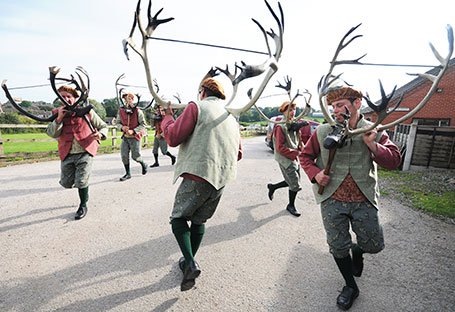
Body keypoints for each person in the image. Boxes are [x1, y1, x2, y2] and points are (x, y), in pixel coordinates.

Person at [299, 86, 401, 310]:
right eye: (332, 106)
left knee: (374, 244)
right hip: (332, 199)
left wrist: (372, 144)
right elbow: (305, 156)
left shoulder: (374, 129)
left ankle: (359, 250)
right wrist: (316, 174)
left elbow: (394, 161)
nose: (335, 110)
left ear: (357, 103)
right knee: (337, 246)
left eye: (340, 104)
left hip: (363, 197)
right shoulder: (323, 131)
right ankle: (350, 286)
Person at [160, 77, 242, 292]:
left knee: (178, 218)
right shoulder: (231, 116)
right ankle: (188, 262)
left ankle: (191, 262)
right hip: (222, 178)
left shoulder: (196, 106)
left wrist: (167, 117)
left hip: (198, 174)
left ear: (202, 91)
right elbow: (238, 153)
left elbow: (172, 137)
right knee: (199, 220)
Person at [47, 85, 108, 220]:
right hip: (67, 152)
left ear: (74, 98)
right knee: (66, 183)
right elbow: (51, 133)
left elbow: (103, 126)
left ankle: (83, 205)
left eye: (69, 96)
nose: (66, 99)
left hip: (85, 150)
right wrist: (59, 119)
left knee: (81, 181)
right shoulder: (56, 113)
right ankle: (79, 184)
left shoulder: (86, 112)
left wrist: (101, 134)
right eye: (63, 97)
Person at [267, 101, 303, 217]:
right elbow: (279, 148)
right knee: (295, 184)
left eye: (294, 110)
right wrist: (295, 152)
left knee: (293, 180)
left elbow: (297, 138)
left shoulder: (293, 123)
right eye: (289, 110)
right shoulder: (280, 126)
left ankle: (273, 187)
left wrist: (300, 146)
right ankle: (290, 206)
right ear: (283, 111)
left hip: (294, 156)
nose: (293, 112)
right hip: (285, 158)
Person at [115, 92, 148, 181]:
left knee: (135, 157)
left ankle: (143, 164)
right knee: (124, 155)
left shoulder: (138, 111)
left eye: (129, 99)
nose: (127, 101)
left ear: (133, 100)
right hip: (125, 138)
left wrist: (133, 131)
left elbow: (143, 125)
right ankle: (128, 173)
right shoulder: (121, 111)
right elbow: (117, 123)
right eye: (125, 99)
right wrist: (122, 127)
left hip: (135, 138)